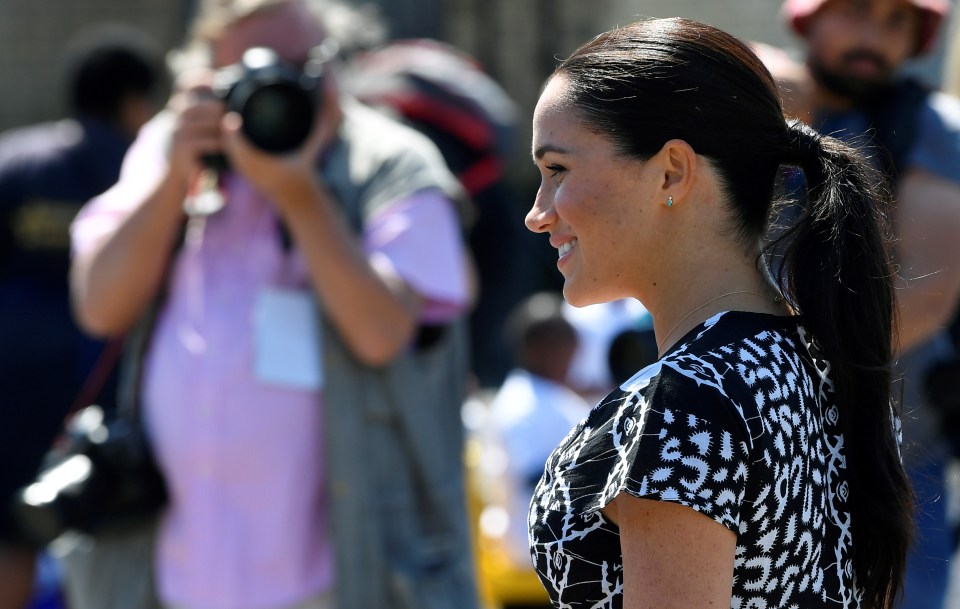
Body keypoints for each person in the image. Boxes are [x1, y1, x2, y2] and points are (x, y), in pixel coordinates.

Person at [67, 1, 477, 609]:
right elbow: (99, 306)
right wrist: (176, 176)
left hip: (346, 578)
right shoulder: (174, 147)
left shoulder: (390, 161)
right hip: (176, 577)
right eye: (247, 74)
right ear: (204, 80)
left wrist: (298, 192)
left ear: (334, 70)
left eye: (294, 67)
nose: (272, 89)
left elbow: (382, 333)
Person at [525, 17, 912, 609]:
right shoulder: (825, 362)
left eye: (557, 171)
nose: (538, 212)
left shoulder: (688, 404)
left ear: (672, 172)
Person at [758, 1, 960, 605]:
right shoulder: (758, 99)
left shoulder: (933, 129)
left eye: (899, 22)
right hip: (757, 439)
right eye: (855, 11)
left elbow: (924, 294)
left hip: (888, 453)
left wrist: (774, 375)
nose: (875, 36)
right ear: (806, 19)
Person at [0, 23, 165, 609]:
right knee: (106, 531)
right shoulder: (147, 174)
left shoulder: (14, 161)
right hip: (98, 385)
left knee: (10, 530)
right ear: (136, 102)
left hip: (10, 385)